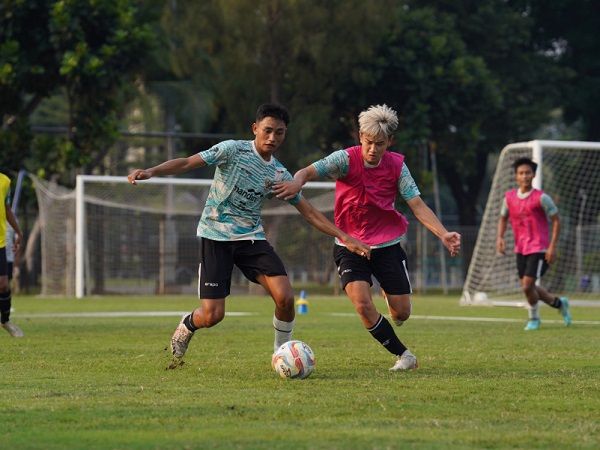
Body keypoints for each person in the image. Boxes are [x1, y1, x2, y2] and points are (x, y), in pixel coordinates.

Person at [127, 103, 371, 359]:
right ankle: (188, 323)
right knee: (213, 315)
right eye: (267, 130)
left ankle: (281, 353)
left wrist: (344, 238)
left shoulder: (279, 174)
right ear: (255, 129)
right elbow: (188, 162)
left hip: (250, 239)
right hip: (215, 236)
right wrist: (152, 171)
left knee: (286, 299)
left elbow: (309, 211)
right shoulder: (232, 150)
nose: (272, 137)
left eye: (279, 132)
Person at [272, 104, 461, 371]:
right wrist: (296, 182)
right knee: (362, 304)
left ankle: (389, 293)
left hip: (387, 245)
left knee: (401, 313)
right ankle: (404, 356)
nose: (373, 149)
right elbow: (307, 171)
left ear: (389, 142)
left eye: (380, 144)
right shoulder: (344, 159)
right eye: (368, 142)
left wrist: (443, 234)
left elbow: (417, 204)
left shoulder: (397, 166)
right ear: (360, 136)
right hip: (349, 244)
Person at [496, 157, 571, 330]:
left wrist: (553, 246)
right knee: (530, 287)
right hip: (520, 248)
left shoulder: (542, 198)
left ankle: (534, 318)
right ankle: (560, 304)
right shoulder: (509, 198)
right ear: (516, 176)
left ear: (534, 174)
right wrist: (500, 237)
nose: (524, 176)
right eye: (521, 173)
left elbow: (557, 220)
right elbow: (502, 218)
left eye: (528, 172)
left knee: (527, 286)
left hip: (539, 248)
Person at [0, 172, 24, 337]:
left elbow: (7, 209)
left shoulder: (4, 181)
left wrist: (18, 232)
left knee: (3, 285)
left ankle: (5, 320)